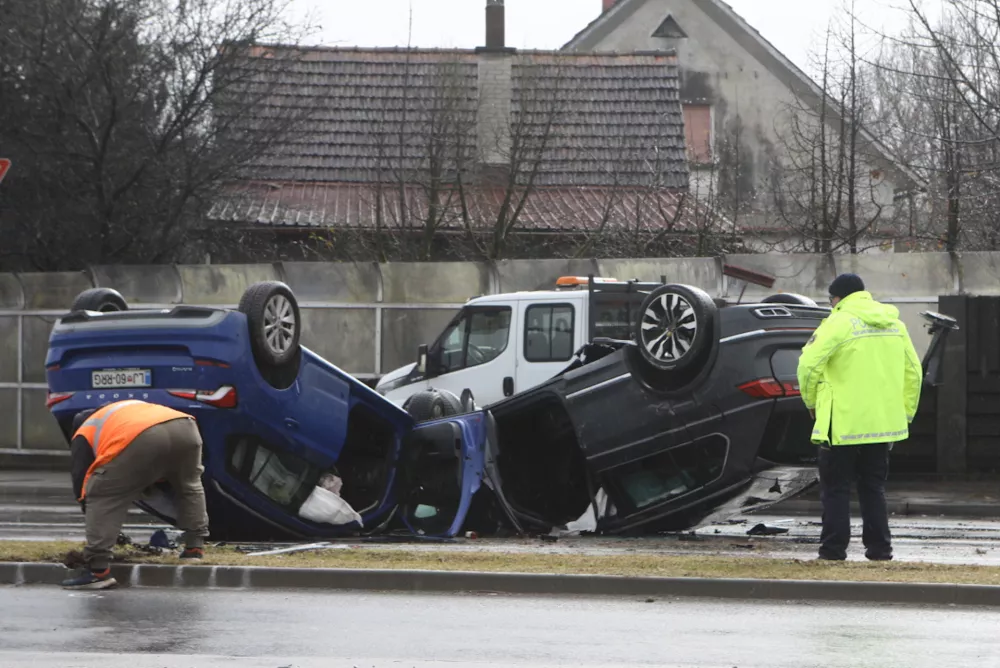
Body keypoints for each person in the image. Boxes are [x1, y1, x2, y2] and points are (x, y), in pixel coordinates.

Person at [796, 273, 922, 562]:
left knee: (836, 489)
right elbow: (913, 372)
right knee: (873, 488)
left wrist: (811, 402)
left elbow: (807, 365)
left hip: (842, 424)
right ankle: (880, 550)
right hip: (882, 426)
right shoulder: (895, 324)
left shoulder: (837, 323)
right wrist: (904, 414)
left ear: (836, 298)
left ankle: (832, 551)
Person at [61, 399, 210, 590]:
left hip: (142, 435)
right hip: (185, 427)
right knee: (189, 486)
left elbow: (82, 480)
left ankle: (97, 571)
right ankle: (194, 548)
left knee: (102, 491)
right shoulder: (122, 410)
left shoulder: (85, 430)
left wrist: (90, 510)